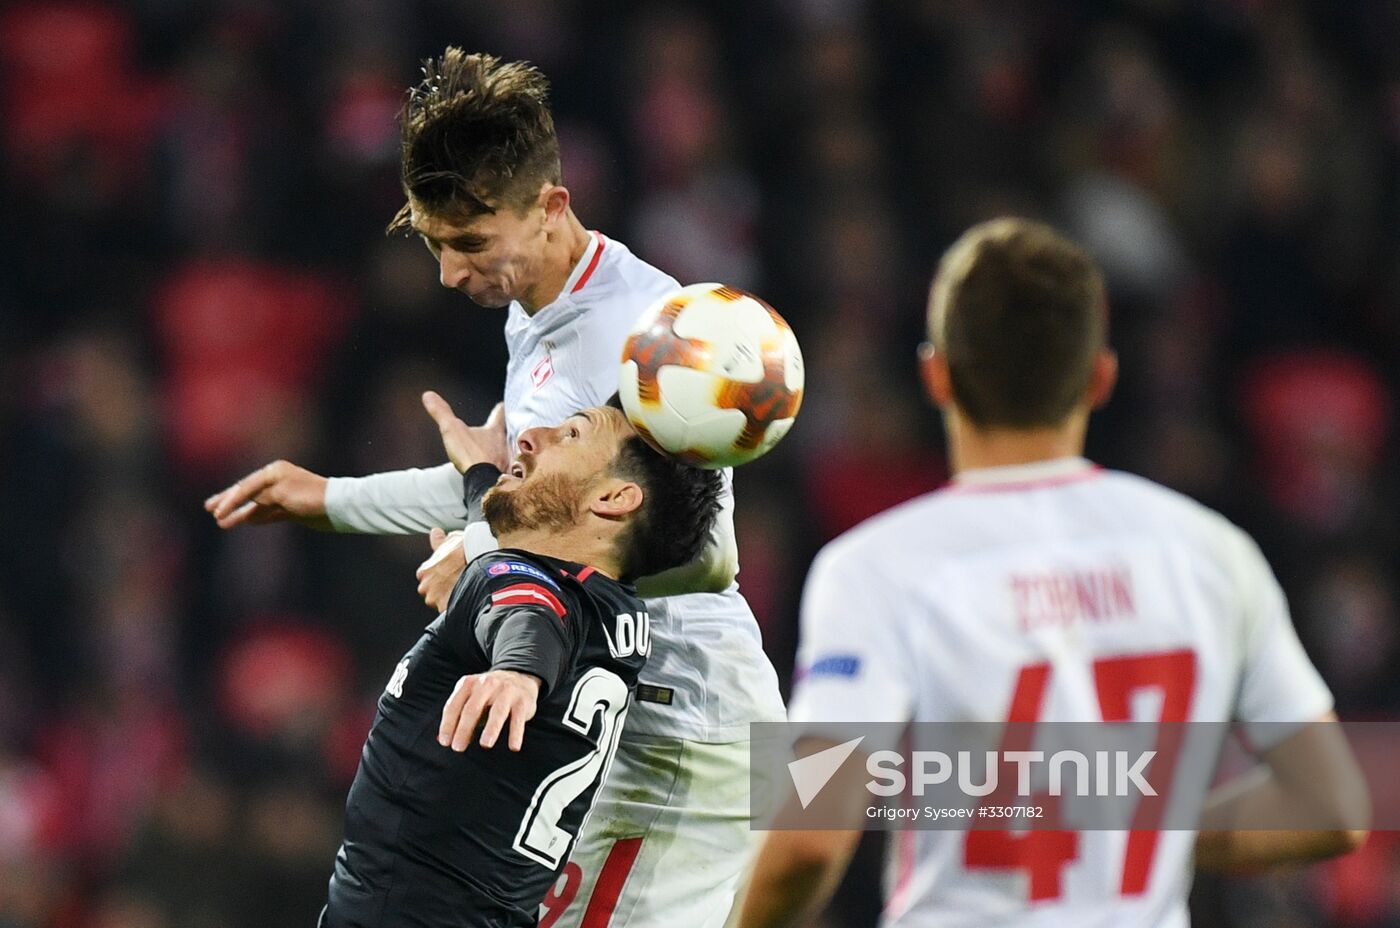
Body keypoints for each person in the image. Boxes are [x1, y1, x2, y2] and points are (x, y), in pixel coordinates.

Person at [203, 49, 785, 927]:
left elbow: (703, 546)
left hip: (685, 713)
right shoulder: (542, 312)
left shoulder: (642, 331)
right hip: (641, 709)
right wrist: (332, 499)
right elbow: (522, 491)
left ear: (551, 206)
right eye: (433, 244)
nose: (448, 272)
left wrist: (485, 549)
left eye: (470, 243)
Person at [735, 218, 1369, 927]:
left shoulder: (877, 567)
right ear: (1100, 377)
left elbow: (809, 840)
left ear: (936, 374)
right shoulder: (1210, 552)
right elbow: (1331, 806)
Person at [320, 404, 723, 927]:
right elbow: (531, 583)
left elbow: (527, 605)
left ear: (614, 499)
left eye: (571, 434)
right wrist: (483, 478)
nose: (530, 437)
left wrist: (518, 670)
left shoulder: (517, 584)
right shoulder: (615, 610)